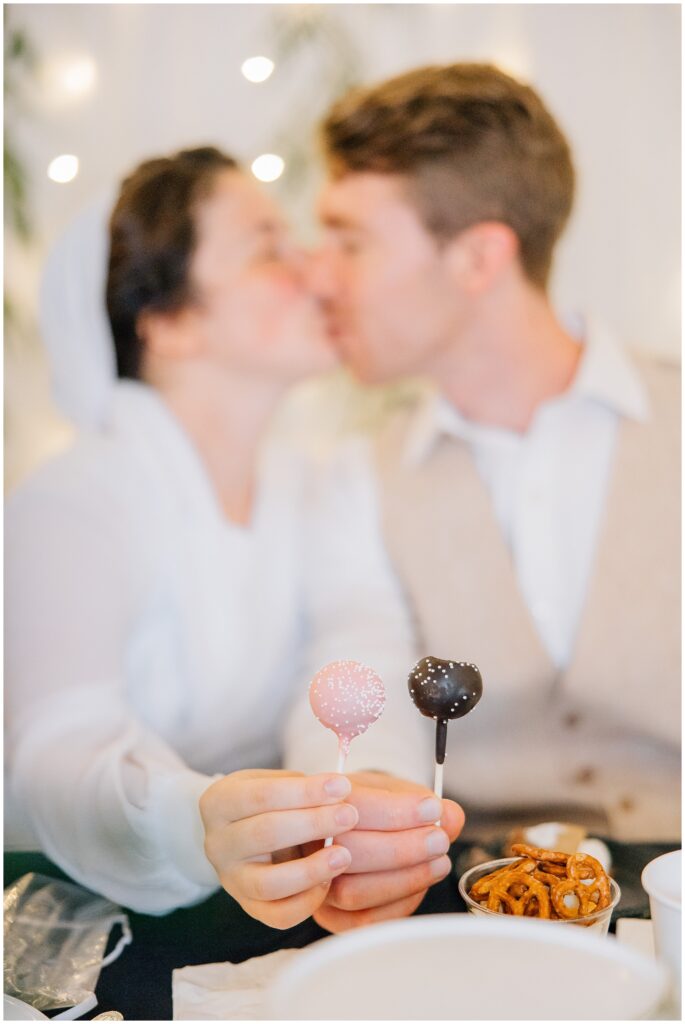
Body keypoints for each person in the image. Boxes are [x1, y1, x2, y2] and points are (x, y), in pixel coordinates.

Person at [5, 147, 463, 928]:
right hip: (67, 919)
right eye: (268, 248)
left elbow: (358, 655)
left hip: (271, 904)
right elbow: (56, 750)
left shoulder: (320, 483)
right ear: (170, 323)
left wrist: (363, 796)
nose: (318, 271)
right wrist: (193, 820)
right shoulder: (70, 502)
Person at [301, 63, 680, 843]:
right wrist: (368, 812)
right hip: (468, 886)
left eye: (350, 242)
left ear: (477, 259)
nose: (316, 277)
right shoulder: (359, 479)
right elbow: (361, 675)